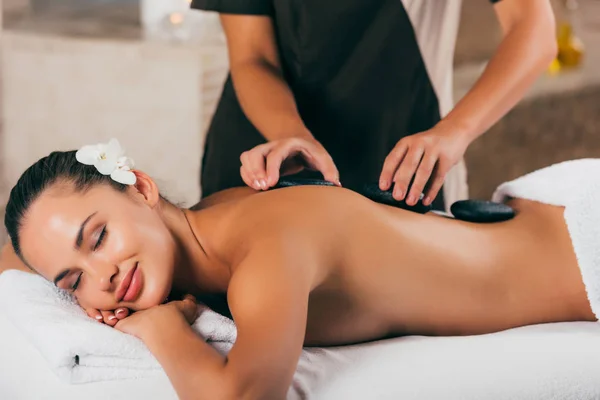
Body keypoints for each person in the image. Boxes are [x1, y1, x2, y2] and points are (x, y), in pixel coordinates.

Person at [1, 144, 595, 399]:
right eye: (72, 281)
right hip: (544, 215)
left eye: (97, 237)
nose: (101, 275)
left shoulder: (265, 248)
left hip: (582, 250)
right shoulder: (211, 222)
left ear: (143, 188)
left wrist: (161, 329)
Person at [192, 0, 557, 211]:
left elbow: (534, 30)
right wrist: (291, 137)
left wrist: (454, 132)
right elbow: (252, 57)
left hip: (401, 170)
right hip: (267, 162)